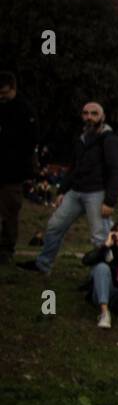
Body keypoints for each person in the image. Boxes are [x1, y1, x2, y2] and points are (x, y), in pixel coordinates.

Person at [19, 101, 118, 275]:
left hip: (97, 193)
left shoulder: (111, 140)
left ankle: (106, 275)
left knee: (100, 237)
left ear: (102, 116)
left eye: (94, 113)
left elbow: (117, 170)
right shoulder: (81, 139)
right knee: (54, 226)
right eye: (85, 113)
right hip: (75, 191)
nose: (89, 117)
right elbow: (74, 167)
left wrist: (110, 201)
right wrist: (62, 191)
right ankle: (43, 264)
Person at [0, 71, 38, 264]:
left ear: (13, 89)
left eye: (5, 92)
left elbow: (29, 142)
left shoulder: (24, 110)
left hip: (12, 171)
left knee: (10, 211)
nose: (2, 96)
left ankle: (7, 248)